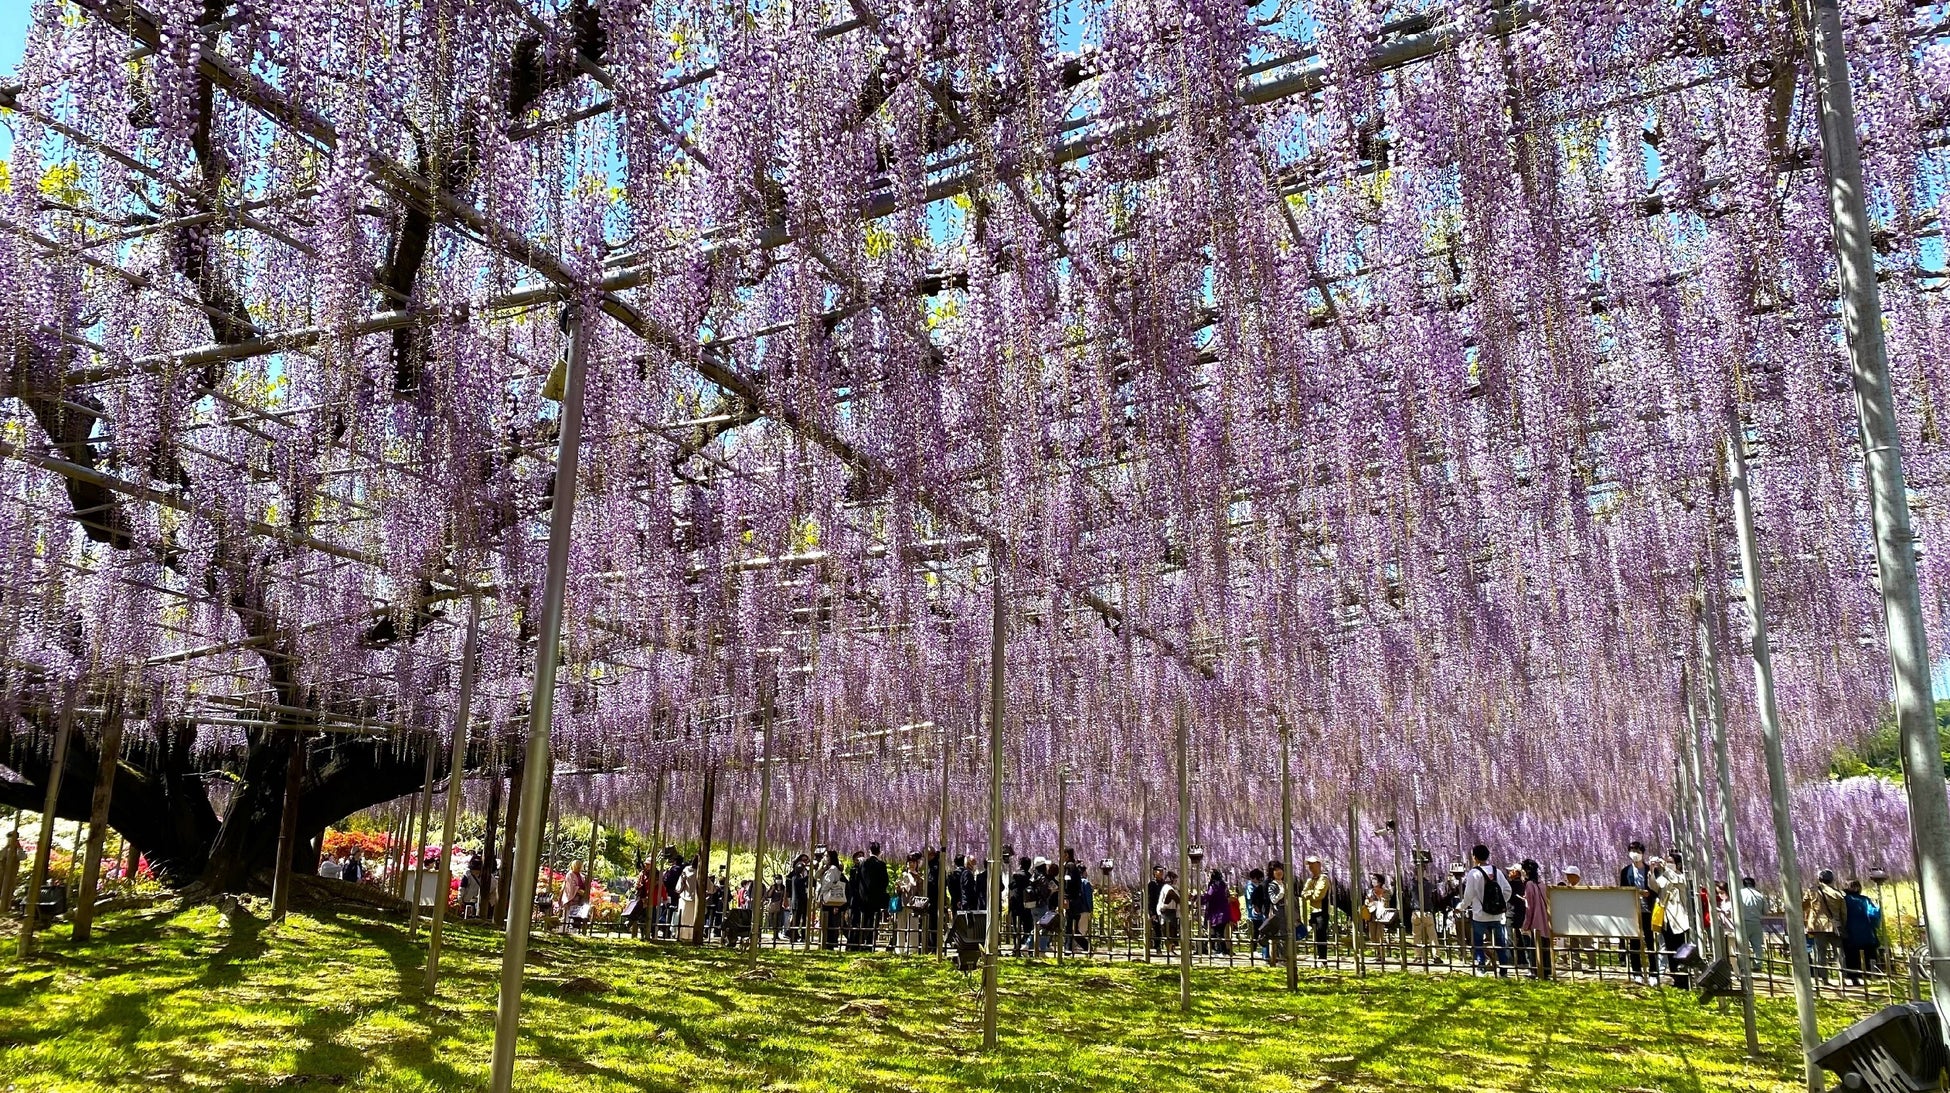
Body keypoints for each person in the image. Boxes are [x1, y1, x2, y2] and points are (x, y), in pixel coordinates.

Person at [1460, 844, 1512, 977]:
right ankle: (1504, 971)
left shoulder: (1474, 873)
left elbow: (1469, 895)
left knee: (1478, 943)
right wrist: (1499, 903)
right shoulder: (1497, 872)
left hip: (1480, 915)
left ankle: (1481, 968)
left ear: (1475, 857)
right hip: (1496, 915)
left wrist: (1462, 907)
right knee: (1500, 943)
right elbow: (1507, 890)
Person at [1650, 854, 1692, 988]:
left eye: (1671, 862)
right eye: (1667, 861)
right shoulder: (1664, 877)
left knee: (1681, 950)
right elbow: (1654, 887)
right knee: (1670, 950)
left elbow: (1677, 880)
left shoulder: (1682, 877)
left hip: (1679, 920)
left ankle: (1684, 980)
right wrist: (1651, 870)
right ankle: (1675, 977)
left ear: (1678, 865)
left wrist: (1665, 868)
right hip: (1666, 919)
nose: (1668, 864)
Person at [1620, 840, 1653, 983]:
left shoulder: (1649, 870)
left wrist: (1649, 893)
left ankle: (1653, 973)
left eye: (1638, 852)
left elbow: (1657, 889)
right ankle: (1637, 973)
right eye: (1633, 851)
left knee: (1650, 942)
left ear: (1643, 854)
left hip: (1648, 910)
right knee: (1634, 942)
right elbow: (1623, 890)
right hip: (1633, 911)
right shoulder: (1625, 871)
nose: (1635, 854)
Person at [1804, 869, 1846, 982]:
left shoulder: (1812, 891)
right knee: (1838, 952)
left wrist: (1807, 920)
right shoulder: (1839, 894)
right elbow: (1843, 913)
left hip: (1818, 926)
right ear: (1832, 880)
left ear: (1819, 879)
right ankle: (1842, 978)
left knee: (1820, 952)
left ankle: (1824, 979)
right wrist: (1842, 925)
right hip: (1835, 926)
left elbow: (1803, 906)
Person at [1842, 878, 1882, 985]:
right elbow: (1873, 914)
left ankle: (1854, 976)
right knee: (1869, 953)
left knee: (1851, 955)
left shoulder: (1844, 900)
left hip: (1850, 932)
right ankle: (1871, 974)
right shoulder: (1865, 900)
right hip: (1866, 931)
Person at [1517, 860, 1551, 978]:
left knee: (1533, 946)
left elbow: (1529, 907)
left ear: (1526, 871)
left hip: (1535, 921)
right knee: (1545, 945)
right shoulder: (1542, 885)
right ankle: (1546, 971)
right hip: (1545, 920)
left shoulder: (1529, 885)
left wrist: (1526, 924)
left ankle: (1534, 971)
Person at [857, 842, 891, 951]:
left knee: (864, 920)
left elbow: (859, 880)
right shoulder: (881, 864)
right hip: (875, 899)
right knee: (873, 921)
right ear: (879, 851)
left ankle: (862, 943)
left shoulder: (863, 863)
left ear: (869, 851)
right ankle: (870, 943)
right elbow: (885, 882)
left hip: (863, 898)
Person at [1409, 859, 1443, 964]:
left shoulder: (1412, 884)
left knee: (1416, 936)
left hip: (1416, 912)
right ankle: (1436, 956)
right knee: (1432, 935)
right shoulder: (1428, 884)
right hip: (1428, 912)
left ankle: (1418, 956)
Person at [1302, 856, 1332, 962]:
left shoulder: (1324, 878)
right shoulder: (1310, 880)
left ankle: (1323, 959)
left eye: (1312, 863)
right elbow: (1303, 894)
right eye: (1309, 864)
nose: (1310, 866)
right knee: (1315, 935)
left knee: (1321, 935)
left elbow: (1318, 895)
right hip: (1313, 911)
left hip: (1322, 911)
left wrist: (1310, 893)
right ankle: (1318, 957)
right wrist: (1311, 893)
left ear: (1319, 864)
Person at [816, 850, 848, 949]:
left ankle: (830, 943)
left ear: (831, 858)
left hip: (830, 898)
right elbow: (815, 876)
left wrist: (821, 894)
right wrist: (822, 868)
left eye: (826, 856)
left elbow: (828, 883)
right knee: (826, 920)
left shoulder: (833, 869)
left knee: (831, 921)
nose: (824, 858)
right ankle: (826, 942)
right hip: (826, 898)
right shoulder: (827, 868)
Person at [896, 853, 926, 953]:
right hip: (903, 903)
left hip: (913, 905)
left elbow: (921, 892)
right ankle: (899, 949)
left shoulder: (919, 877)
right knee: (901, 927)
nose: (911, 864)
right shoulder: (903, 875)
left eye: (913, 862)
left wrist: (918, 881)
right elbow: (897, 890)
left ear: (917, 864)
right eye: (909, 862)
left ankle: (912, 949)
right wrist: (898, 889)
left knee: (913, 927)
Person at [1007, 856, 1033, 955]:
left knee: (1016, 927)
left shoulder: (1015, 875)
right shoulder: (1030, 876)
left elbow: (1010, 886)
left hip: (1015, 904)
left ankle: (1016, 947)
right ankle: (1025, 945)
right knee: (1027, 927)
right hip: (1026, 904)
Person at [1738, 876, 1767, 963]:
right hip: (1756, 922)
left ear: (1743, 884)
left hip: (1743, 923)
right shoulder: (1760, 895)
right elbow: (1765, 911)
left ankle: (1744, 964)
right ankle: (1758, 965)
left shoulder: (1739, 893)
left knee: (1743, 945)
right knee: (1757, 946)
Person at [1203, 869, 1232, 956]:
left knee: (1218, 933)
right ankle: (1222, 950)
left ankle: (1222, 951)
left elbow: (1209, 897)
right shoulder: (1223, 885)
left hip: (1217, 914)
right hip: (1224, 912)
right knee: (1219, 932)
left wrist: (1199, 898)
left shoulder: (1214, 886)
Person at [560, 860, 589, 935]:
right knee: (567, 915)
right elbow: (571, 886)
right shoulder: (570, 874)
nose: (579, 868)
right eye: (577, 867)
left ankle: (574, 930)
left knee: (576, 915)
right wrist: (579, 891)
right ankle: (563, 930)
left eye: (580, 867)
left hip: (579, 899)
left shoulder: (581, 876)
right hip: (571, 898)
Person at [786, 854, 810, 943]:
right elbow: (801, 883)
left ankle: (801, 935)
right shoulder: (796, 877)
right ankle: (793, 935)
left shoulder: (797, 877)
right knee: (796, 919)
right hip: (798, 902)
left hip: (801, 901)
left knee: (803, 919)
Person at [1157, 869, 1183, 953]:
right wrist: (1180, 900)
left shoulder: (1173, 888)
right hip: (1166, 911)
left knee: (1173, 931)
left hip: (1172, 911)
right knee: (1168, 930)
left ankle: (1171, 948)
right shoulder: (1167, 887)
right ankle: (1169, 949)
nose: (1176, 881)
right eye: (1175, 879)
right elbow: (1171, 895)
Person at [1145, 865, 1167, 954]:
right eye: (1159, 871)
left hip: (1164, 909)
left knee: (1166, 928)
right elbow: (1150, 900)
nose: (1161, 873)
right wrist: (1152, 913)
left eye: (1162, 871)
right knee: (1157, 928)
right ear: (1154, 872)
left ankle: (1169, 947)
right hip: (1155, 910)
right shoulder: (1152, 884)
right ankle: (1157, 947)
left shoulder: (1164, 884)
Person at [0, 828, 21, 914]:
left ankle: (6, 908)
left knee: (9, 890)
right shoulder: (4, 849)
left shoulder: (17, 850)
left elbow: (23, 857)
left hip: (12, 874)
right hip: (2, 873)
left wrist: (19, 847)